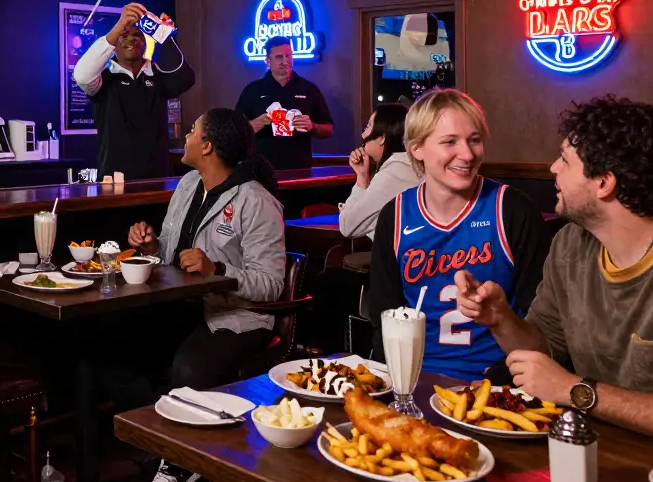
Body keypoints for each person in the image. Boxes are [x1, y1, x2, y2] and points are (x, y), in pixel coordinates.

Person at [455, 96, 653, 456]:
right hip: (595, 453)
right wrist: (501, 321)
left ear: (604, 183)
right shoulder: (570, 243)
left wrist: (575, 391)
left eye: (564, 159)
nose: (552, 168)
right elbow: (545, 350)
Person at [127, 108, 285, 482]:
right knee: (112, 349)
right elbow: (170, 251)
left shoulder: (256, 201)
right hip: (180, 305)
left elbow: (271, 284)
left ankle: (180, 464)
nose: (186, 136)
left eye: (193, 131)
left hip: (237, 316)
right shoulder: (187, 185)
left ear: (208, 146)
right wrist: (151, 245)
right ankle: (164, 443)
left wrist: (217, 269)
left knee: (189, 365)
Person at [368, 89, 550, 382]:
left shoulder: (512, 210)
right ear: (417, 148)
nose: (467, 154)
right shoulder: (396, 215)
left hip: (497, 384)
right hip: (415, 380)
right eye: (450, 142)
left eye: (474, 140)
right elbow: (384, 316)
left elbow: (543, 327)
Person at [73, 3, 195, 180]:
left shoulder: (157, 76)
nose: (131, 39)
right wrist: (119, 26)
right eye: (124, 35)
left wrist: (164, 34)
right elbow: (81, 76)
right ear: (114, 45)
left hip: (158, 179)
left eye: (137, 35)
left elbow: (186, 79)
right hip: (114, 182)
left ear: (145, 44)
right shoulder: (102, 80)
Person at [234, 37, 333, 169]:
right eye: (279, 57)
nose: (285, 61)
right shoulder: (253, 90)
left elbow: (328, 129)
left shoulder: (309, 89)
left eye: (288, 56)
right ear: (267, 61)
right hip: (261, 170)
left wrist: (313, 126)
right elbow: (236, 132)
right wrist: (254, 124)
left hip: (300, 168)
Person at [339, 103, 419, 240]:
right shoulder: (410, 164)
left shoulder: (394, 173)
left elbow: (348, 226)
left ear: (382, 137)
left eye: (368, 126)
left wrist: (362, 179)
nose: (363, 134)